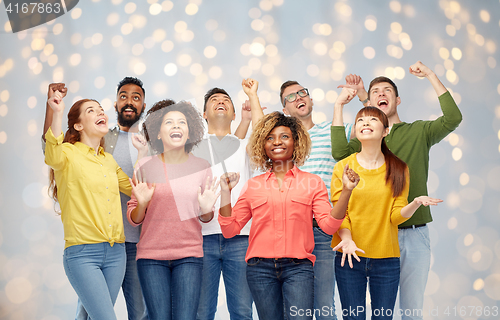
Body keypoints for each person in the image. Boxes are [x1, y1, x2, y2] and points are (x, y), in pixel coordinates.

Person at [331, 61, 462, 319]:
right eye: (375, 91)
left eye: (387, 91)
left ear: (398, 100)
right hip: (372, 236)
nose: (381, 94)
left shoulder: (418, 132)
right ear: (367, 103)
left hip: (412, 233)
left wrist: (431, 75)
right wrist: (347, 104)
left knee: (411, 311)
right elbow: (339, 153)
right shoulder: (364, 139)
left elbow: (453, 119)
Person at [218, 112, 350, 320]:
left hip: (299, 269)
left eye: (284, 136)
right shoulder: (253, 185)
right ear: (263, 145)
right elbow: (230, 229)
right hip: (259, 270)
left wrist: (347, 191)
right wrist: (225, 193)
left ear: (296, 142)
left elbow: (329, 226)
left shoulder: (312, 182)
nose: (276, 142)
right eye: (270, 138)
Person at [42, 77, 149, 320]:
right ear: (78, 126)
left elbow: (136, 190)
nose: (100, 112)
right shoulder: (66, 154)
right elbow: (51, 153)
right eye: (91, 111)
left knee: (89, 317)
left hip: (116, 253)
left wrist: (142, 153)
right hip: (82, 253)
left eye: (100, 110)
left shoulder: (108, 160)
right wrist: (56, 111)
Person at [127, 100, 219, 320]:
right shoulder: (145, 165)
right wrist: (141, 204)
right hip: (151, 257)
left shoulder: (202, 166)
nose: (176, 126)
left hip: (189, 255)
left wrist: (207, 210)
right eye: (169, 122)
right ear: (158, 133)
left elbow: (206, 216)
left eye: (182, 123)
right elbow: (134, 219)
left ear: (190, 132)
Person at [280, 80, 353, 320]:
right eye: (291, 96)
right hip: (290, 230)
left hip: (322, 229)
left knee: (324, 305)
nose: (299, 97)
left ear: (310, 100)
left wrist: (357, 96)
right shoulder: (281, 142)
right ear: (284, 109)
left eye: (302, 93)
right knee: (294, 309)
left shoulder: (333, 132)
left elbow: (372, 125)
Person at [194, 79, 264, 320]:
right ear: (204, 114)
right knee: (202, 312)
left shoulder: (245, 146)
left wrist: (253, 96)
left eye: (226, 101)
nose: (221, 101)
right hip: (201, 238)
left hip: (241, 237)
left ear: (234, 114)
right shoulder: (192, 148)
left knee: (242, 311)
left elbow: (263, 132)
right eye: (214, 100)